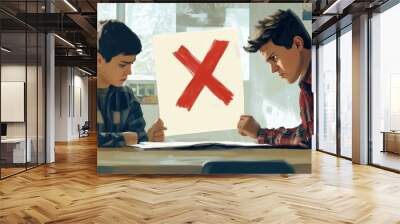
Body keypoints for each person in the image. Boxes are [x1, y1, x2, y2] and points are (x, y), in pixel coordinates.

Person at [237, 9, 313, 148]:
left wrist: (259, 133)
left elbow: (308, 138)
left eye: (274, 58)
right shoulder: (307, 83)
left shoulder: (319, 80)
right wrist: (259, 132)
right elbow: (307, 135)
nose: (273, 69)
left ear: (298, 44)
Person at [97, 20, 166, 147]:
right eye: (122, 64)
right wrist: (122, 139)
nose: (129, 71)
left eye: (131, 63)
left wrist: (150, 138)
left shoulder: (126, 96)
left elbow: (138, 138)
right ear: (99, 60)